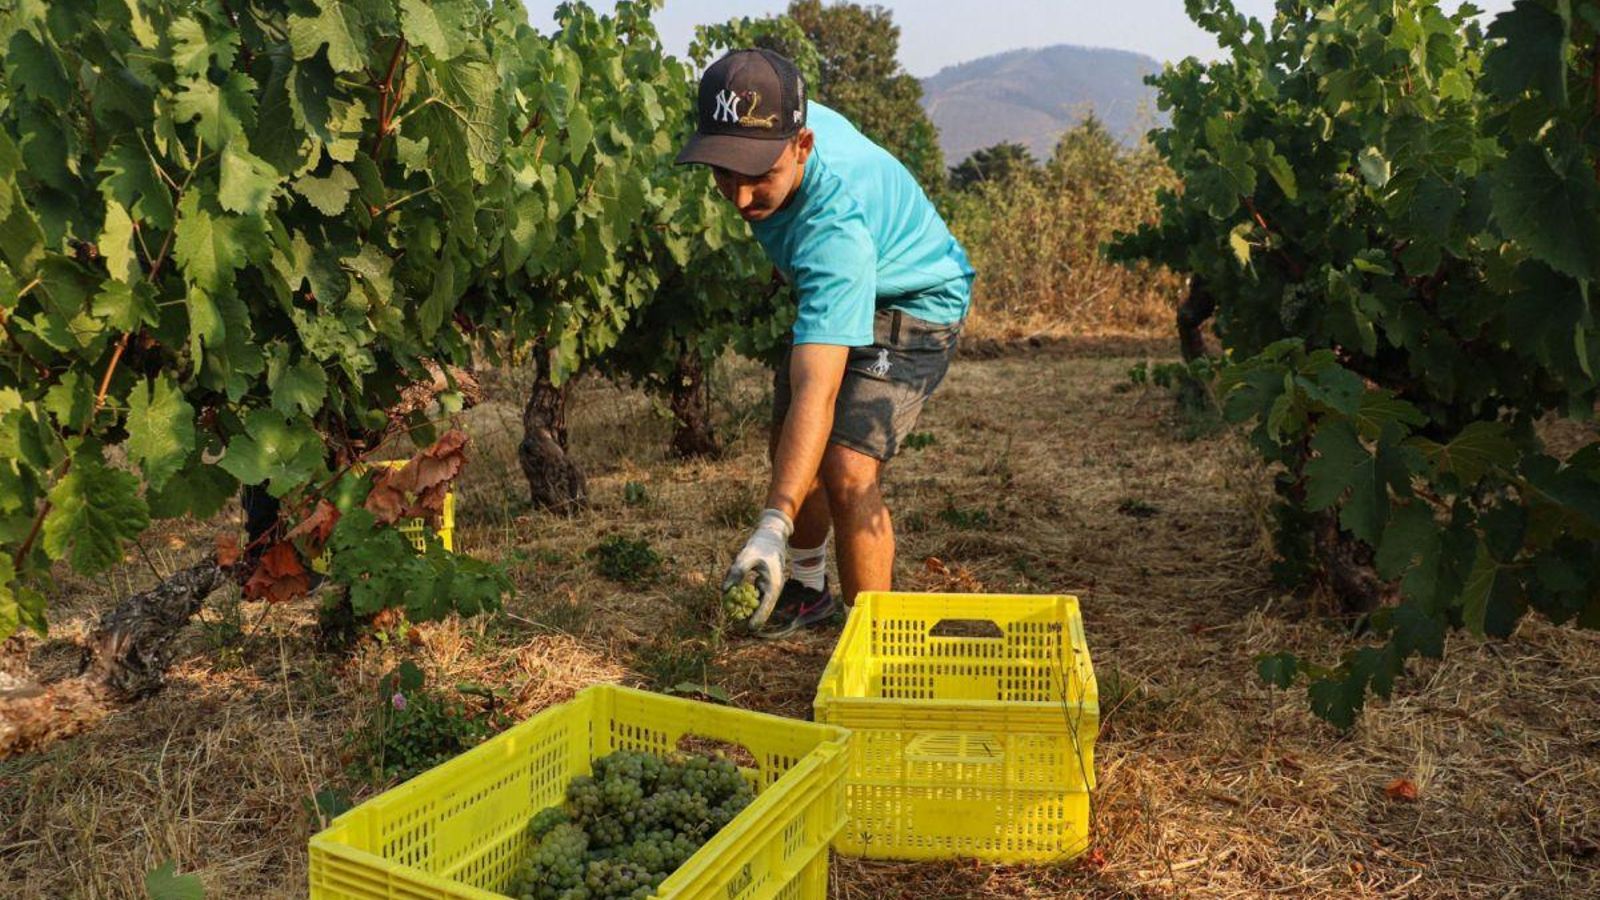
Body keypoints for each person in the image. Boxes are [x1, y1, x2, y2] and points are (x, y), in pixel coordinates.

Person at [676, 49, 974, 636]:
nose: (738, 199)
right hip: (844, 280)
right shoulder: (774, 115)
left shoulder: (835, 228)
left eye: (758, 177)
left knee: (844, 464)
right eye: (723, 173)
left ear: (803, 146)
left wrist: (771, 527)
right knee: (793, 445)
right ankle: (808, 592)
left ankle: (878, 646)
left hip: (915, 300)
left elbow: (820, 388)